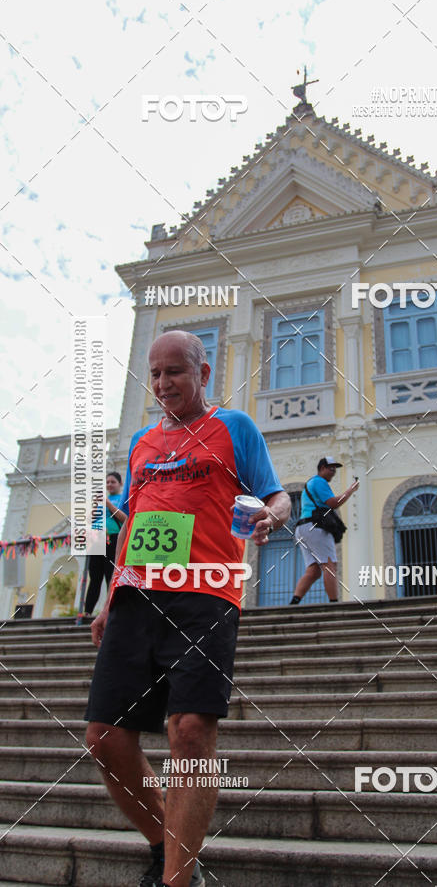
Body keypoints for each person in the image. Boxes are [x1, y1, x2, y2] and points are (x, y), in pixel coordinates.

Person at [84, 330, 290, 887]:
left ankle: (178, 879)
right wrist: (108, 598)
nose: (162, 383)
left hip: (206, 594)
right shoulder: (142, 443)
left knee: (192, 730)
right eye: (154, 374)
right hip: (136, 596)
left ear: (202, 373)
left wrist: (271, 516)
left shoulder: (235, 427)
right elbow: (134, 521)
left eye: (174, 371)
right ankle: (165, 846)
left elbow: (277, 495)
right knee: (104, 736)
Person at [290, 455, 359, 604]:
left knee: (314, 570)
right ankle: (334, 604)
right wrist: (350, 490)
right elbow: (334, 503)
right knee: (329, 564)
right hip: (315, 527)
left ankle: (294, 601)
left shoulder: (311, 483)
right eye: (331, 468)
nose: (333, 472)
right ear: (322, 468)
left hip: (302, 529)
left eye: (335, 469)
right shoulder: (319, 482)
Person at [84, 472, 126, 614]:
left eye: (113, 482)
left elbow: (125, 519)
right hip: (97, 540)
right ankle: (87, 611)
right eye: (107, 482)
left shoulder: (122, 499)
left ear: (120, 484)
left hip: (113, 539)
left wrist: (108, 504)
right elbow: (89, 520)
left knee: (110, 575)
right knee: (94, 577)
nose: (109, 484)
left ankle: (110, 611)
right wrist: (96, 505)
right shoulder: (101, 501)